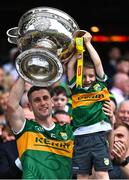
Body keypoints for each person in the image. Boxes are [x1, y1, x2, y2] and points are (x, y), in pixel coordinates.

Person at [6, 77, 74, 179]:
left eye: (45, 98)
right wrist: (24, 74)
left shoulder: (68, 131)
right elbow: (12, 105)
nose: (43, 103)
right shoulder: (26, 128)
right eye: (37, 100)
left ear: (52, 102)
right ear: (30, 106)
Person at [67, 31, 113, 179]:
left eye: (91, 76)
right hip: (80, 136)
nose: (88, 79)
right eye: (84, 76)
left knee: (101, 173)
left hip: (99, 134)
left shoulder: (100, 84)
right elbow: (69, 67)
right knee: (82, 176)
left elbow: (97, 63)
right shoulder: (75, 87)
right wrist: (77, 51)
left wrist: (87, 43)